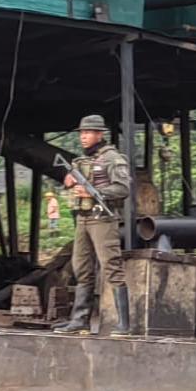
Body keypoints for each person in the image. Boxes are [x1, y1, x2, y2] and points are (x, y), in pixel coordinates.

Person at [54, 114, 132, 336]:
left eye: (88, 133)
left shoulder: (113, 159)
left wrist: (96, 192)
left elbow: (123, 189)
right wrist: (70, 182)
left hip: (102, 219)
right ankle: (80, 320)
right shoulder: (82, 160)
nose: (83, 137)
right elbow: (70, 184)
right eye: (81, 133)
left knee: (111, 267)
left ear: (100, 134)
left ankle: (124, 325)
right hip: (83, 218)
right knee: (82, 269)